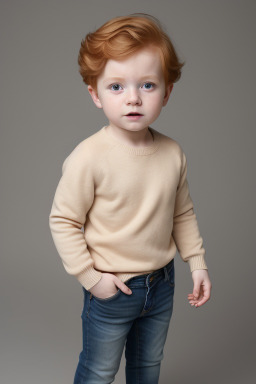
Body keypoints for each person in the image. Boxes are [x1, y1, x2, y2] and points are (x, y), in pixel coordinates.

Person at [49, 13, 212, 384]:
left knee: (147, 368)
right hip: (113, 290)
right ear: (95, 94)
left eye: (148, 85)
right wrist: (90, 278)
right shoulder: (88, 157)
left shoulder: (172, 153)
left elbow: (182, 213)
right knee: (99, 370)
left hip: (162, 284)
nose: (133, 98)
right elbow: (63, 221)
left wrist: (197, 263)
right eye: (117, 87)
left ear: (167, 91)